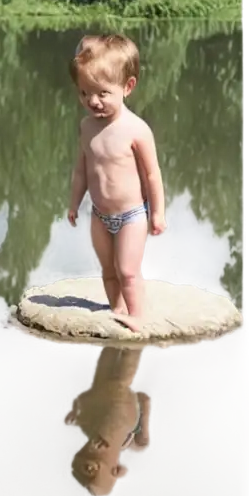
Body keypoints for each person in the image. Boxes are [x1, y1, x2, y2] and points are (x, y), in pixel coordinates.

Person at [67, 33, 167, 333]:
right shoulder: (86, 127)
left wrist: (158, 213)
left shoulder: (136, 129)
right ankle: (117, 309)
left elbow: (152, 174)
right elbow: (81, 170)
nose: (92, 101)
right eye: (84, 93)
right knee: (108, 271)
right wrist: (74, 205)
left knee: (128, 271)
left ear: (128, 87)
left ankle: (137, 315)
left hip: (130, 216)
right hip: (99, 214)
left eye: (102, 93)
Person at [64, 346, 153, 496]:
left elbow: (145, 401)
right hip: (116, 406)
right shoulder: (131, 440)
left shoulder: (101, 441)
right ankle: (130, 341)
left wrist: (78, 415)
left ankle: (123, 341)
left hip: (103, 401)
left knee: (110, 366)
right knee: (120, 370)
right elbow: (145, 401)